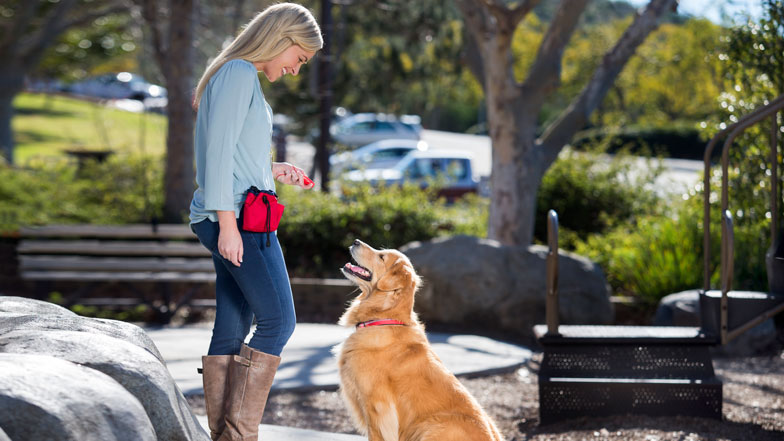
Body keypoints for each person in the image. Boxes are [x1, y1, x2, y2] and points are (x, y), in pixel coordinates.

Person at [188, 4, 322, 440]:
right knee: (279, 323)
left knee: (232, 325)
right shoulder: (239, 74)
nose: (296, 70)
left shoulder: (233, 75)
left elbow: (233, 152)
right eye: (298, 58)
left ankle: (224, 438)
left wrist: (270, 170)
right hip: (241, 222)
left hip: (237, 214)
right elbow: (217, 157)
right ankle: (237, 436)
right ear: (282, 38)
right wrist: (228, 226)